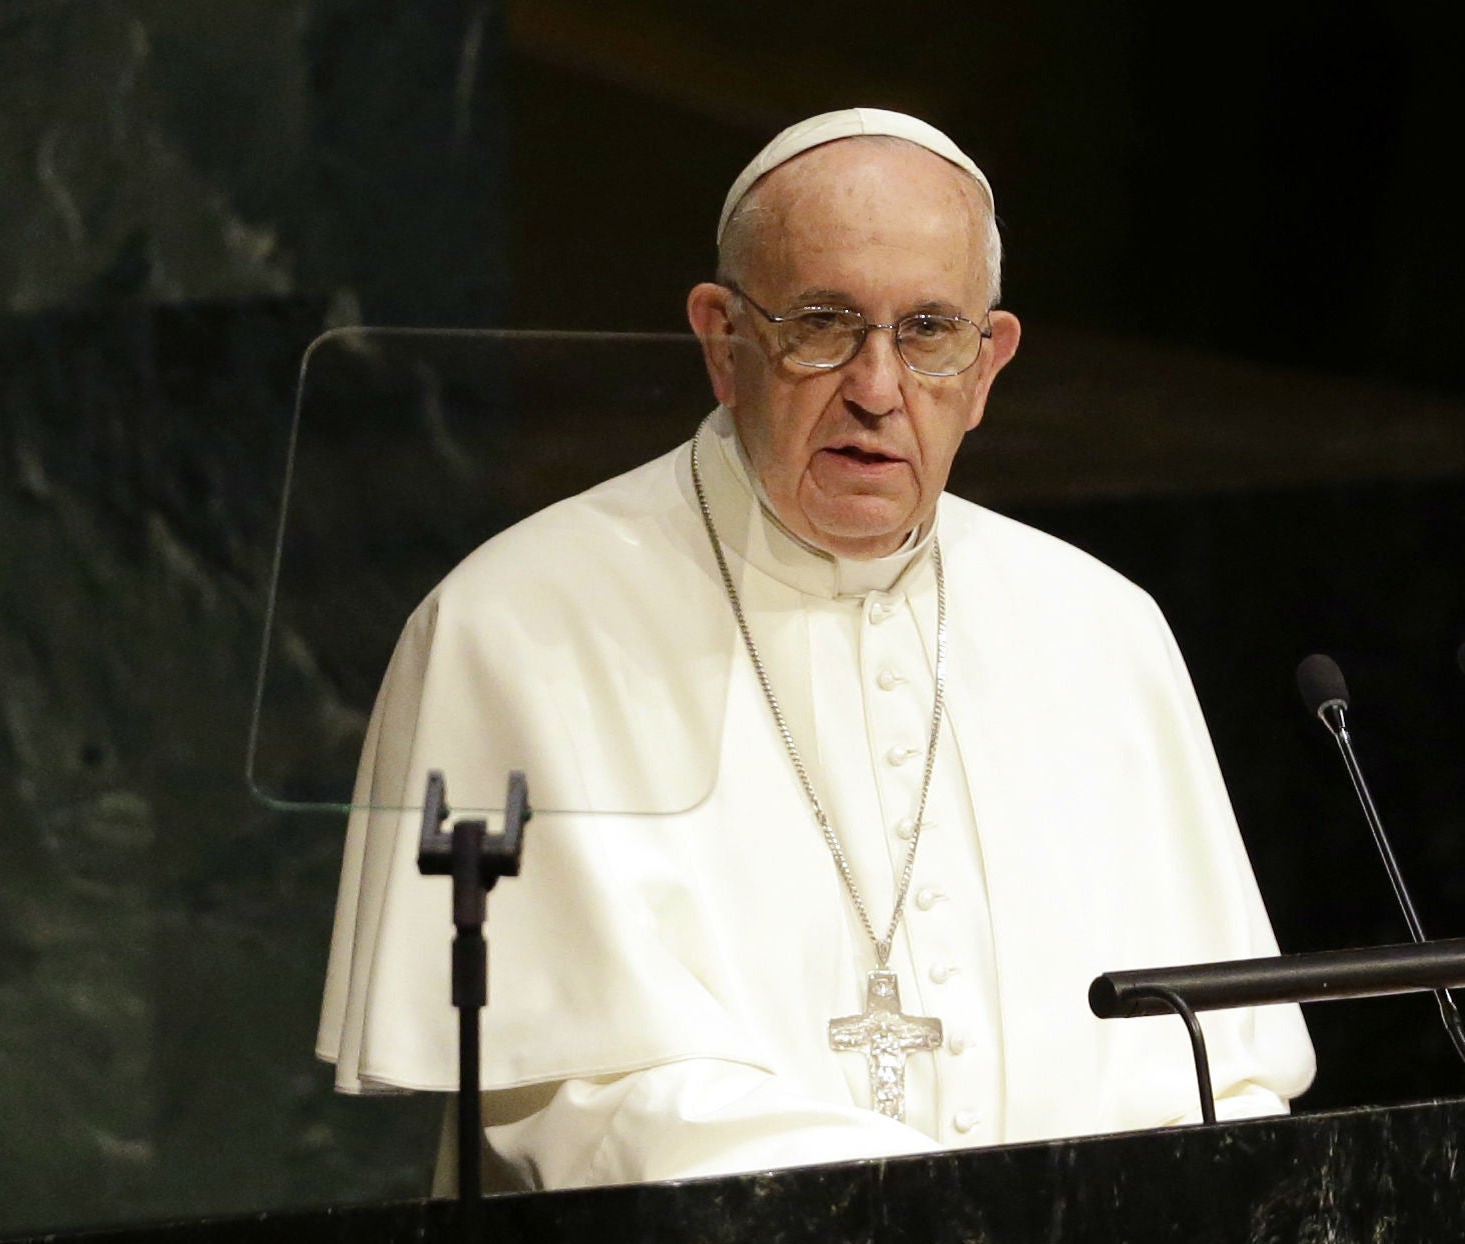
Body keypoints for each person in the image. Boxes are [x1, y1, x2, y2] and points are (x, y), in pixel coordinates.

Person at [319, 110, 1313, 1188]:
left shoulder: (1098, 628)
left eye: (929, 331)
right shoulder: (518, 620)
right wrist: (946, 1225)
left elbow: (1223, 1071)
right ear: (721, 339)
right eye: (824, 323)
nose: (877, 388)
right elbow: (571, 1103)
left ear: (988, 365)